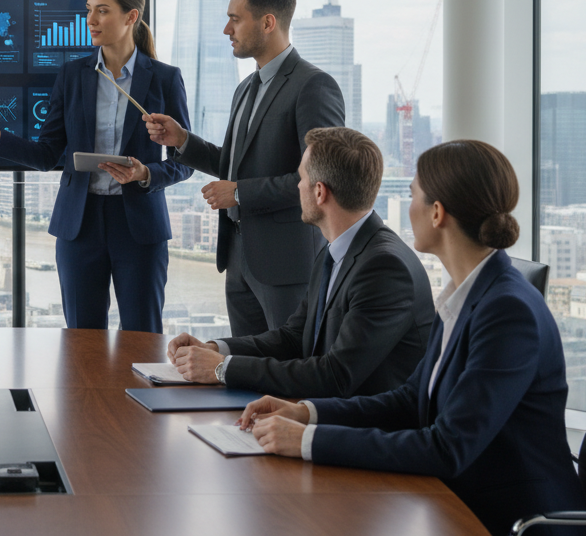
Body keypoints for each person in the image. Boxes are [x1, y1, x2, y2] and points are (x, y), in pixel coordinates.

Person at [237, 140, 586, 536]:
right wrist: (305, 413)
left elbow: (446, 447)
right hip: (459, 503)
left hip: (514, 526)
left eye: (412, 196)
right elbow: (409, 401)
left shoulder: (507, 312)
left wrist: (306, 442)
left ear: (437, 213)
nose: (406, 208)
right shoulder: (468, 292)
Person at [0, 0, 192, 332]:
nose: (90, 20)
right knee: (82, 344)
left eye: (102, 11)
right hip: (80, 226)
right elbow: (47, 154)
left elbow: (185, 162)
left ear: (131, 17)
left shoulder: (165, 78)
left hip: (138, 227)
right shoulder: (73, 75)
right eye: (89, 10)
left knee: (142, 338)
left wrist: (146, 173)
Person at [164, 127, 434, 398]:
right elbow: (293, 337)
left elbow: (335, 376)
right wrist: (216, 349)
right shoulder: (335, 251)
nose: (297, 186)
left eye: (302, 178)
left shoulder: (384, 268)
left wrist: (223, 369)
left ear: (320, 192)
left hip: (368, 430)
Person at [145, 0, 344, 338]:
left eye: (235, 19)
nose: (226, 30)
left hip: (286, 265)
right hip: (238, 258)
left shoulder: (314, 86)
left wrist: (239, 193)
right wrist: (183, 140)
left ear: (268, 22)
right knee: (246, 373)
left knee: (288, 374)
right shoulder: (245, 88)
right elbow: (234, 164)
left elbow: (320, 179)